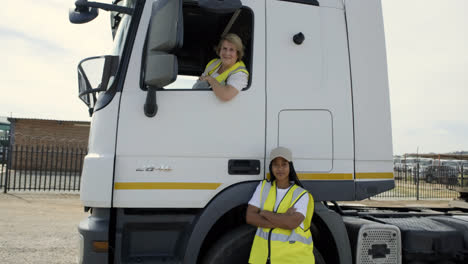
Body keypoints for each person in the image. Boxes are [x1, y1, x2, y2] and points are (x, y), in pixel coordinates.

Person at [246, 147, 315, 264]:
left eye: (284, 164)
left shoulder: (301, 194)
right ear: (271, 167)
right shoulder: (263, 187)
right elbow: (250, 217)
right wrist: (283, 218)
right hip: (263, 259)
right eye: (276, 165)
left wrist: (265, 213)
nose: (280, 169)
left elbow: (291, 223)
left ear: (290, 167)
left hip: (294, 259)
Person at [194, 33, 249, 101]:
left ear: (237, 54)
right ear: (219, 50)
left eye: (231, 50)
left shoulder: (240, 73)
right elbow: (199, 84)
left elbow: (226, 95)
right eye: (224, 48)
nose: (227, 53)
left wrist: (210, 79)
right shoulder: (213, 63)